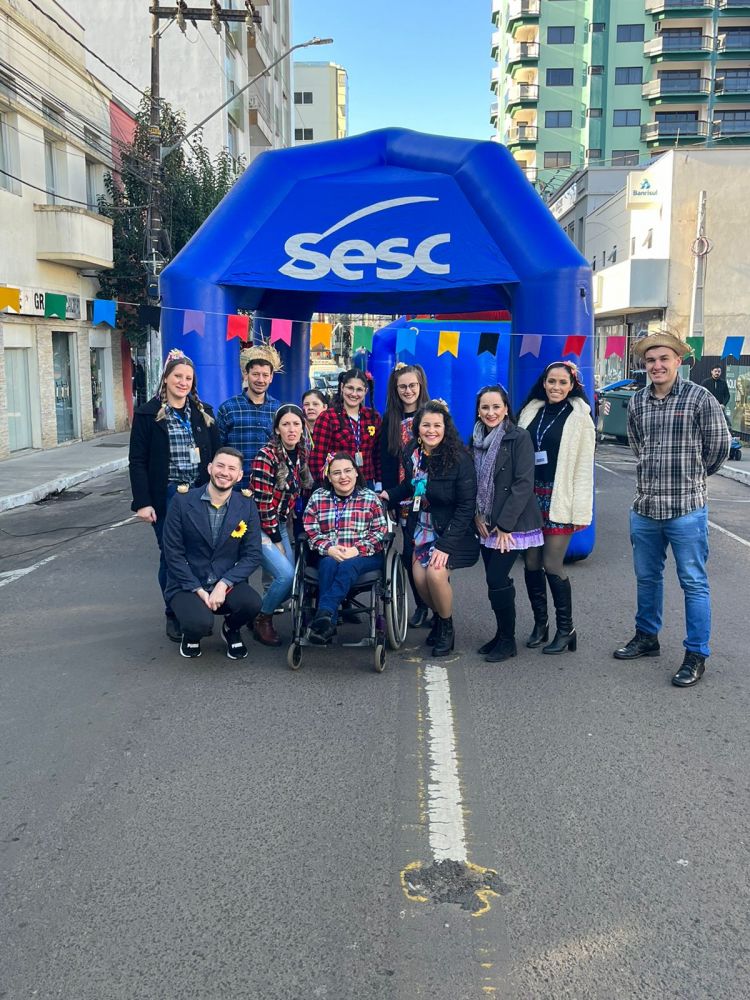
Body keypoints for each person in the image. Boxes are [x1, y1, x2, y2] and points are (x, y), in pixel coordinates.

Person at [613, 333, 731, 687]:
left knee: (693, 583)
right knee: (647, 578)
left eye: (664, 358)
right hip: (645, 507)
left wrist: (692, 478)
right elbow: (638, 445)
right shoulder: (637, 402)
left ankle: (696, 654)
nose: (657, 366)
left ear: (678, 361)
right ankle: (647, 637)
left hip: (686, 510)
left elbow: (719, 447)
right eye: (651, 360)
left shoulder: (700, 398)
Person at [129, 349, 219, 642]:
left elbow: (216, 455)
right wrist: (143, 503)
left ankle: (195, 606)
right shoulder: (148, 414)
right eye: (177, 376)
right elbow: (137, 461)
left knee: (200, 553)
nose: (183, 382)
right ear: (166, 378)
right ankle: (174, 612)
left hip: (200, 493)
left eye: (188, 378)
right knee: (172, 556)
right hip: (168, 495)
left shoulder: (204, 412)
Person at [382, 401, 479, 657]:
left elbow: (466, 507)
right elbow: (412, 487)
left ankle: (446, 627)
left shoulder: (460, 459)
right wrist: (388, 495)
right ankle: (438, 616)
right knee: (419, 580)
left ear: (446, 428)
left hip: (451, 530)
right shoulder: (413, 452)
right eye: (426, 425)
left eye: (437, 425)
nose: (431, 430)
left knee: (435, 575)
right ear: (418, 428)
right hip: (422, 526)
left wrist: (445, 546)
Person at [517, 361, 595, 655]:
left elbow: (584, 468)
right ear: (544, 382)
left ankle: (566, 629)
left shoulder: (580, 416)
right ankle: (541, 625)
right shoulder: (530, 410)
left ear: (572, 385)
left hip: (560, 497)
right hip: (530, 497)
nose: (556, 387)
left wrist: (580, 509)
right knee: (531, 563)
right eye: (552, 381)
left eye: (563, 382)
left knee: (552, 564)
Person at [162, 447, 262, 660]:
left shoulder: (246, 505)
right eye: (220, 466)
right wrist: (198, 589)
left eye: (232, 468)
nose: (225, 472)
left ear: (239, 476)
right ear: (209, 468)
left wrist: (224, 584)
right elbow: (173, 553)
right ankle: (191, 635)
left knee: (252, 603)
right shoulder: (182, 502)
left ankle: (231, 629)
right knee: (200, 623)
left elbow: (253, 555)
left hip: (225, 580)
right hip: (188, 582)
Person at [469, 385, 543, 662]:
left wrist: (505, 525)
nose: (491, 412)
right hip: (485, 521)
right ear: (478, 411)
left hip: (512, 523)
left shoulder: (519, 437)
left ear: (506, 409)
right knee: (494, 581)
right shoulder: (475, 438)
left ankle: (508, 641)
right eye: (485, 407)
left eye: (496, 407)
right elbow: (473, 480)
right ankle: (501, 634)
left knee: (497, 578)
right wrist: (476, 514)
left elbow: (523, 483)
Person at [303, 452, 389, 645]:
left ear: (356, 472)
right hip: (329, 553)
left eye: (348, 471)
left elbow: (380, 531)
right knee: (328, 563)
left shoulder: (370, 497)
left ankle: (324, 613)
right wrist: (329, 548)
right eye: (337, 473)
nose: (343, 477)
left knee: (349, 565)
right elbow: (310, 530)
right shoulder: (318, 497)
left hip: (365, 555)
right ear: (329, 476)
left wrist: (356, 550)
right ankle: (328, 624)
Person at [250, 404, 313, 647]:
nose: (291, 429)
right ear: (277, 429)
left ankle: (259, 611)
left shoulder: (301, 453)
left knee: (294, 579)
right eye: (286, 424)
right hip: (258, 526)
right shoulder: (266, 456)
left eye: (296, 424)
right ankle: (262, 619)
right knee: (286, 576)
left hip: (280, 522)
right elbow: (262, 505)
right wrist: (276, 539)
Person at [380, 362, 432, 628]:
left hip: (430, 496)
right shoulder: (390, 419)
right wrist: (389, 496)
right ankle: (422, 605)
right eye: (403, 386)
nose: (408, 390)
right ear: (396, 389)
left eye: (412, 385)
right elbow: (386, 461)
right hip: (403, 495)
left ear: (420, 385)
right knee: (410, 552)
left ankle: (439, 608)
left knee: (433, 555)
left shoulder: (433, 413)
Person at [216, 342, 282, 482]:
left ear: (271, 377)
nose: (260, 380)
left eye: (265, 375)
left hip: (268, 482)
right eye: (255, 374)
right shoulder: (228, 408)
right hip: (234, 483)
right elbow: (218, 449)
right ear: (246, 375)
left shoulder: (278, 409)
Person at [309, 368, 382, 488]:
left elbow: (377, 454)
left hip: (366, 483)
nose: (354, 394)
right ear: (342, 387)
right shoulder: (328, 417)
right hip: (338, 484)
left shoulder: (373, 417)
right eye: (350, 388)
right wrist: (326, 485)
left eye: (359, 390)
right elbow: (318, 458)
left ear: (366, 391)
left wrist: (379, 483)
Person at [301, 388, 328, 453]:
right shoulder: (298, 430)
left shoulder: (331, 429)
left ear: (325, 407)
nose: (310, 408)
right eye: (306, 404)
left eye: (315, 404)